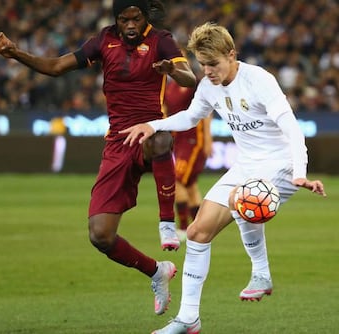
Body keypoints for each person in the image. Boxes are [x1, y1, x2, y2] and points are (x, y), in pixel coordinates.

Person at [0, 0, 196, 316]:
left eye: (135, 18)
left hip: (149, 129)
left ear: (145, 17)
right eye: (123, 18)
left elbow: (189, 78)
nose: (130, 25)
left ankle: (167, 224)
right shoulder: (103, 40)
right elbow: (57, 67)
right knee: (100, 235)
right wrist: (16, 53)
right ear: (115, 19)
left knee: (162, 139)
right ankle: (157, 271)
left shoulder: (161, 39)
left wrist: (173, 69)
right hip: (117, 142)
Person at [120, 22, 326, 333]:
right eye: (202, 64)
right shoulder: (207, 85)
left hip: (280, 165)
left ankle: (261, 273)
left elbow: (292, 129)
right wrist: (154, 126)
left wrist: (300, 173)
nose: (208, 71)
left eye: (213, 64)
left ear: (232, 54)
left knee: (240, 199)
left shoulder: (260, 80)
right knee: (199, 230)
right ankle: (188, 318)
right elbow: (191, 116)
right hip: (246, 165)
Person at [164, 66, 213, 242]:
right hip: (178, 140)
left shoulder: (194, 84)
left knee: (177, 180)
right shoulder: (169, 87)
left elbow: (207, 110)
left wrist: (208, 138)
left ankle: (184, 227)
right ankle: (200, 228)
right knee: (191, 186)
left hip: (194, 140)